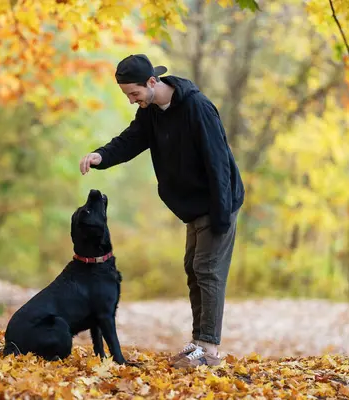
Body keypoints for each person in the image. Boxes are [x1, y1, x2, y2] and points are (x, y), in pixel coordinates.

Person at [79, 54, 244, 368]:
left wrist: (222, 216)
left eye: (134, 93)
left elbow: (219, 164)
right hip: (193, 207)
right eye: (127, 95)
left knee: (207, 271)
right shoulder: (152, 111)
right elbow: (131, 140)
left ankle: (209, 350)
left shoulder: (197, 108)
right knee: (193, 269)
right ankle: (198, 343)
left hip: (217, 202)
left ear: (152, 82)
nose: (132, 100)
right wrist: (101, 155)